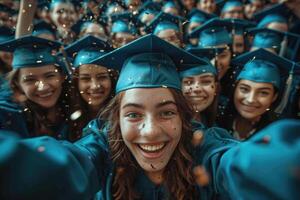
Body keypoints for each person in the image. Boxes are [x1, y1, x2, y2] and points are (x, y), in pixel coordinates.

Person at [0, 34, 300, 200]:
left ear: (184, 116)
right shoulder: (103, 146)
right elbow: (66, 165)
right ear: (116, 118)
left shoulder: (203, 145)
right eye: (133, 113)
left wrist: (281, 167)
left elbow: (234, 163)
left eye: (166, 112)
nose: (151, 131)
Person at [0, 35, 75, 140]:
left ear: (62, 76)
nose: (42, 87)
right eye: (30, 80)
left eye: (49, 76)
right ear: (18, 84)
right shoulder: (9, 115)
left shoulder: (74, 104)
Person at [218, 48, 298, 140]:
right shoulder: (217, 117)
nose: (250, 99)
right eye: (244, 89)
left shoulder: (279, 136)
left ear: (274, 97)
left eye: (263, 93)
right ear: (235, 89)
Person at [65, 35, 116, 138]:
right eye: (86, 78)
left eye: (102, 77)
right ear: (76, 82)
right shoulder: (66, 117)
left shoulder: (120, 117)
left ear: (111, 79)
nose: (95, 86)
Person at [179, 48, 219, 127]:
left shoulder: (212, 122)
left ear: (216, 87)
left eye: (206, 81)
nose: (197, 88)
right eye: (188, 82)